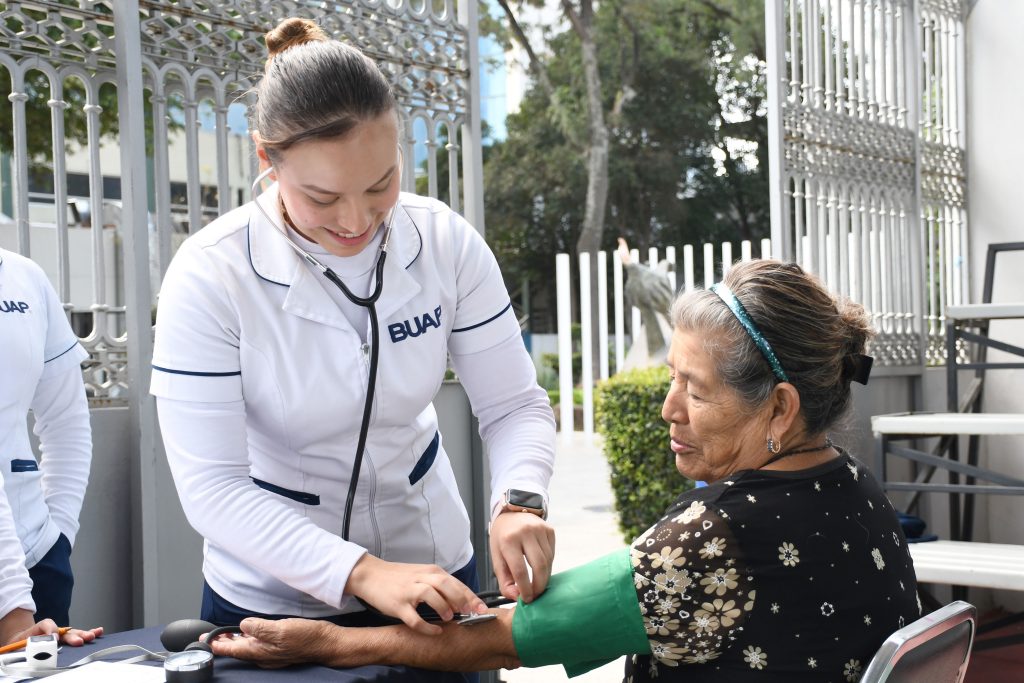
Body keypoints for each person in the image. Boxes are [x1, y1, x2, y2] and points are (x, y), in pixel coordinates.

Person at [210, 260, 921, 682]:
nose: (667, 408)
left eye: (695, 390)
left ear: (780, 406)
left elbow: (504, 637)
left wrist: (326, 638)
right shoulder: (855, 486)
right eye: (669, 379)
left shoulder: (713, 538)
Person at [151, 15, 556, 644]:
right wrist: (362, 573)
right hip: (275, 593)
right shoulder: (210, 274)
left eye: (380, 184)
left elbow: (513, 404)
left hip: (435, 575)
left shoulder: (443, 241)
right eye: (322, 197)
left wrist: (519, 500)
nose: (356, 220)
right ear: (268, 160)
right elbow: (213, 488)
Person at [0, 247, 101, 646]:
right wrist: (12, 607)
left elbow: (66, 419)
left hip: (36, 557)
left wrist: (59, 535)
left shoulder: (25, 276)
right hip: (14, 600)